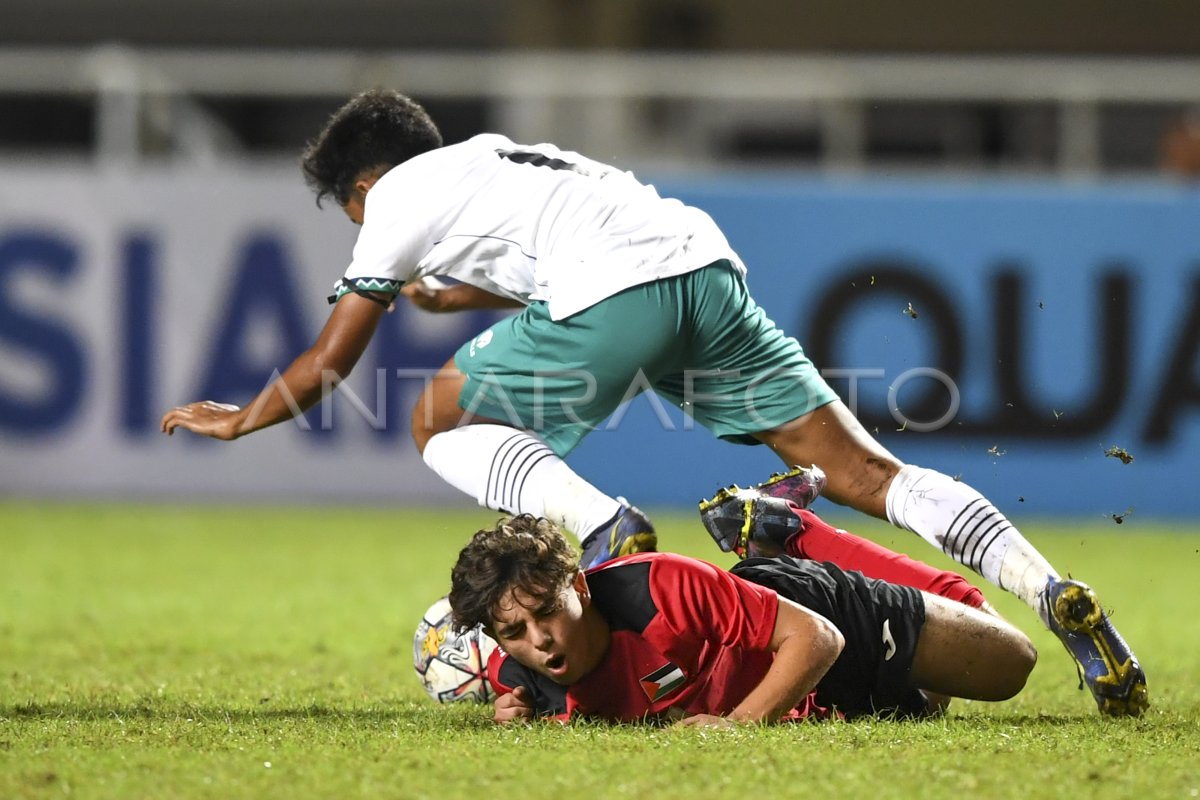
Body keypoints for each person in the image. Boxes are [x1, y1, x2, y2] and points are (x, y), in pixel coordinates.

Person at [159, 88, 1146, 715]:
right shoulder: (505, 156)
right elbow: (575, 267)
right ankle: (1052, 592)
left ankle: (604, 524)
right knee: (864, 474)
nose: (363, 227)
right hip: (705, 274)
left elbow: (337, 350)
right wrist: (463, 293)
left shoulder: (400, 195)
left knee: (435, 420)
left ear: (365, 181)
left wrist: (244, 416)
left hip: (616, 294)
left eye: (353, 211)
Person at [448, 513, 1037, 725]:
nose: (539, 639)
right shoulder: (519, 678)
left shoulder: (662, 586)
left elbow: (817, 637)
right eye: (514, 633)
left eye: (547, 612)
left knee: (1010, 664)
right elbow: (517, 693)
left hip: (816, 621)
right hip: (813, 702)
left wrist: (741, 724)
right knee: (929, 706)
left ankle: (802, 534)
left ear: (578, 585)